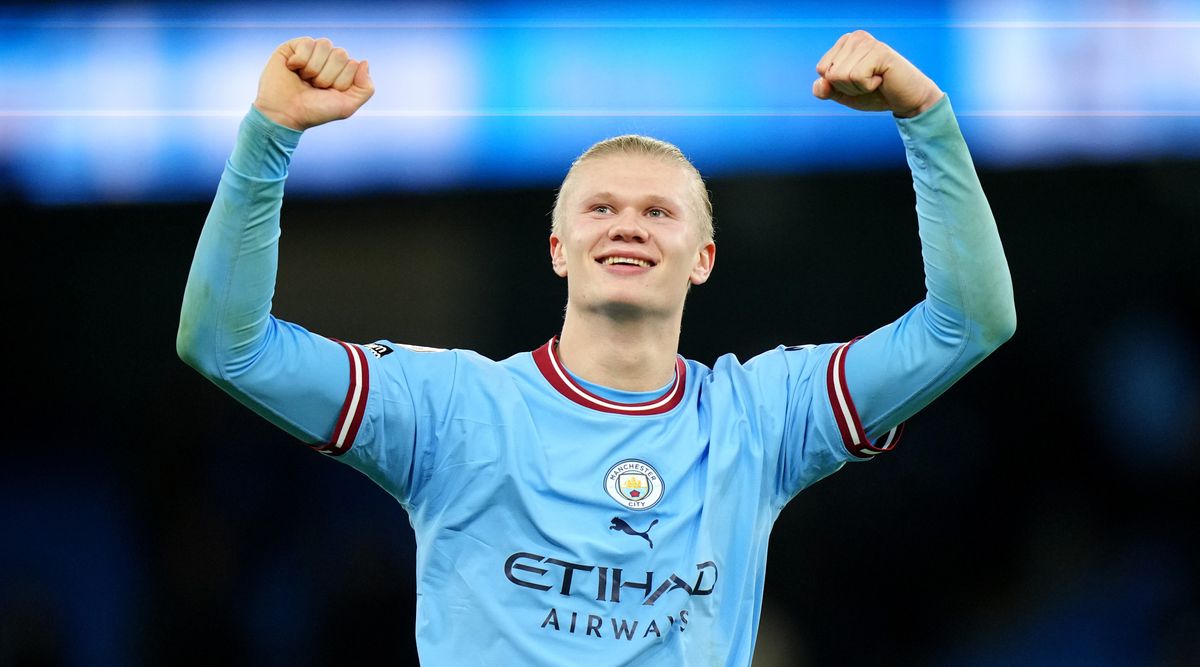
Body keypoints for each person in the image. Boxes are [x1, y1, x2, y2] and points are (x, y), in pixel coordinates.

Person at [177, 31, 1015, 665]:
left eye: (659, 213)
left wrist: (925, 117)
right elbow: (227, 347)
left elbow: (968, 324)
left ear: (703, 258)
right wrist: (269, 137)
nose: (627, 224)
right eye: (600, 208)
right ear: (557, 248)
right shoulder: (453, 409)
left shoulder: (763, 416)